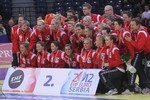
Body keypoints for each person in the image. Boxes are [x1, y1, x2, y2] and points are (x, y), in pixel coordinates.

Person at [124, 18, 150, 94]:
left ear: (138, 25)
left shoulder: (141, 33)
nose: (131, 27)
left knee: (148, 70)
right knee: (142, 70)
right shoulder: (137, 32)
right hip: (146, 53)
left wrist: (130, 41)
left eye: (133, 25)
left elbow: (139, 46)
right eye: (130, 25)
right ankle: (144, 87)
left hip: (148, 53)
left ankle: (147, 88)